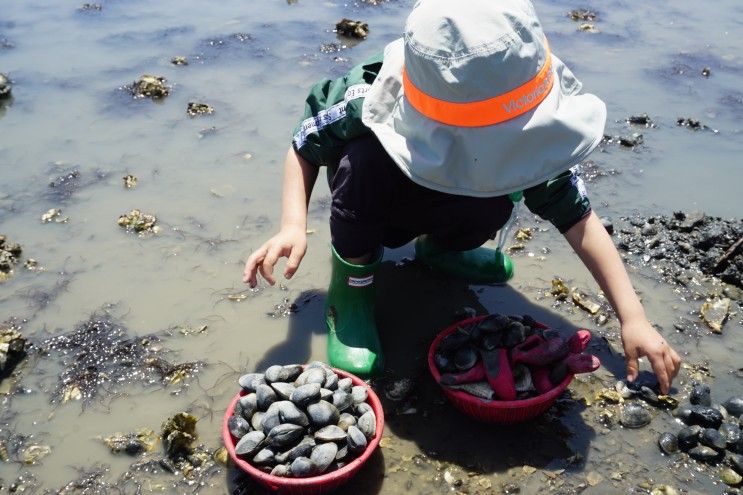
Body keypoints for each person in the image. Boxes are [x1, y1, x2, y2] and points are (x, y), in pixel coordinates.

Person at [243, 0, 681, 392]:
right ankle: (353, 294)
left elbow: (578, 218)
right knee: (362, 163)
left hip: (460, 204)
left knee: (496, 196)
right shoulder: (366, 97)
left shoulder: (520, 122)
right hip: (384, 208)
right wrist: (292, 226)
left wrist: (633, 317)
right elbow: (303, 146)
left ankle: (440, 250)